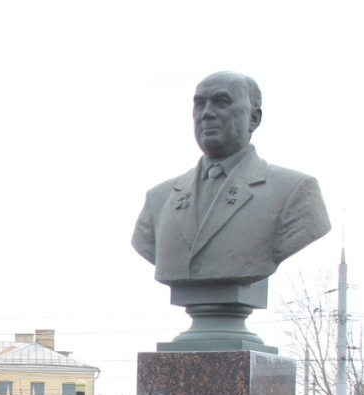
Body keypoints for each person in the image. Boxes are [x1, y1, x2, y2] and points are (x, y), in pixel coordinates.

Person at [132, 71, 331, 286]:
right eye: (200, 104)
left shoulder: (295, 191)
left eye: (222, 102)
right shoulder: (158, 199)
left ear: (253, 119)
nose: (206, 113)